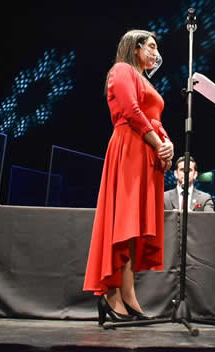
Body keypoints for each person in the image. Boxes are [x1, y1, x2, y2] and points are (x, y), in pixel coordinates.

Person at [83, 30, 174, 325]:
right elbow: (131, 111)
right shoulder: (121, 70)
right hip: (130, 148)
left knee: (136, 227)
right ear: (135, 48)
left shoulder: (147, 81)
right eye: (151, 46)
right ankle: (111, 294)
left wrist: (167, 144)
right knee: (124, 222)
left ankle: (128, 293)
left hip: (147, 152)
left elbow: (154, 119)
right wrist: (158, 143)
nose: (155, 53)